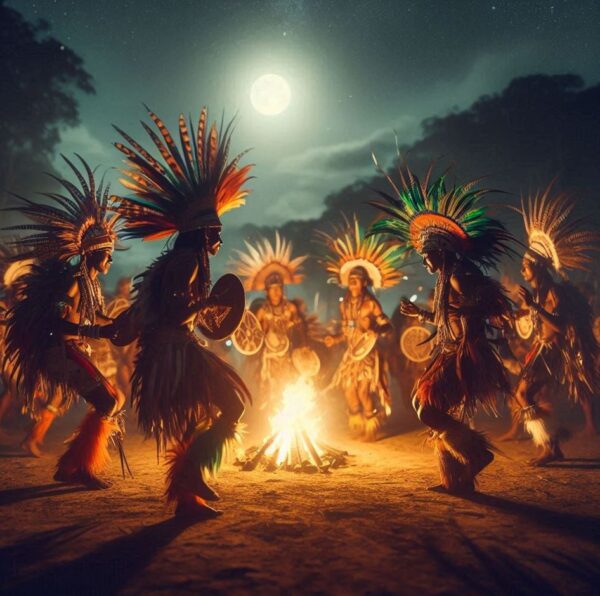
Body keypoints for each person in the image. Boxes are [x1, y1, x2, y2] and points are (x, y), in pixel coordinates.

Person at [112, 106, 253, 517]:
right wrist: (208, 305)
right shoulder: (188, 261)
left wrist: (209, 311)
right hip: (173, 350)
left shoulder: (184, 260)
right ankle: (191, 478)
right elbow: (175, 308)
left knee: (200, 415)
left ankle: (187, 496)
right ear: (205, 230)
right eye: (218, 233)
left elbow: (176, 308)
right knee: (231, 408)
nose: (220, 241)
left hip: (176, 347)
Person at [369, 163, 514, 492]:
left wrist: (464, 308)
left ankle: (475, 455)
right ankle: (457, 481)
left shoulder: (460, 274)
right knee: (429, 407)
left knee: (427, 408)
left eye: (425, 254)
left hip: (463, 354)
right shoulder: (446, 277)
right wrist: (421, 315)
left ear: (439, 250)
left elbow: (487, 302)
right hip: (448, 350)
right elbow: (445, 316)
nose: (424, 261)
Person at [2, 155, 124, 488]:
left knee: (115, 399)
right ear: (93, 252)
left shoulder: (91, 283)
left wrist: (117, 323)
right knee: (108, 401)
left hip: (75, 349)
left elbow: (95, 313)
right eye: (107, 252)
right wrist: (95, 331)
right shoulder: (72, 280)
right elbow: (57, 323)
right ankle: (78, 467)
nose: (111, 258)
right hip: (60, 351)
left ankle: (71, 465)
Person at [513, 183, 599, 464]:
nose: (522, 269)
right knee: (526, 395)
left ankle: (550, 445)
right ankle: (553, 443)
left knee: (523, 394)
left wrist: (534, 306)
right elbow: (537, 322)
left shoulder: (553, 292)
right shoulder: (540, 293)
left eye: (526, 265)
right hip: (541, 349)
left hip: (551, 353)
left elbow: (560, 326)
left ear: (537, 266)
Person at [319, 216, 401, 440]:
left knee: (364, 391)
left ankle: (372, 428)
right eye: (350, 281)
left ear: (364, 283)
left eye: (356, 281)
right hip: (351, 356)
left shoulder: (371, 304)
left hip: (368, 355)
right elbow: (346, 332)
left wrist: (377, 331)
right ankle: (357, 425)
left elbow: (388, 327)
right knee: (348, 392)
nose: (352, 284)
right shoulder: (345, 304)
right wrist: (334, 340)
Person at [232, 233, 308, 402]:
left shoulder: (290, 308)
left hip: (288, 356)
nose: (276, 292)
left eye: (279, 288)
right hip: (270, 359)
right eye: (272, 289)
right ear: (267, 291)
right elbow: (253, 335)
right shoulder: (262, 312)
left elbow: (301, 327)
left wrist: (303, 346)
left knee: (291, 389)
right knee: (273, 393)